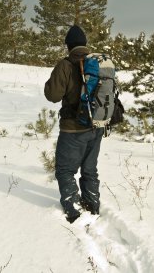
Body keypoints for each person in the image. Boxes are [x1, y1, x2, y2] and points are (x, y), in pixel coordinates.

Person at [44, 25, 104, 223]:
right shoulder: (98, 63)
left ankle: (74, 211)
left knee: (65, 170)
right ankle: (93, 206)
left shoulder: (66, 65)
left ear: (68, 45)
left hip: (73, 128)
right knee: (89, 169)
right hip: (97, 126)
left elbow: (52, 95)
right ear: (85, 44)